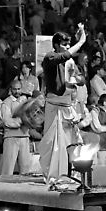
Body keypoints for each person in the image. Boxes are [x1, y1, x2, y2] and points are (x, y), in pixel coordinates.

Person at [39, 24, 86, 185]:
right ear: (57, 45)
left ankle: (72, 174)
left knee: (73, 142)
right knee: (53, 144)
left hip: (68, 107)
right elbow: (63, 57)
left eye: (69, 44)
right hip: (54, 106)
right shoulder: (49, 57)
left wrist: (74, 79)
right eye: (65, 45)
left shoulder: (70, 62)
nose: (67, 47)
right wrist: (80, 43)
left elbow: (81, 79)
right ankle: (54, 176)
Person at [0, 80, 30, 175]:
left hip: (24, 136)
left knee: (25, 169)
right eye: (15, 89)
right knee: (7, 169)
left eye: (18, 89)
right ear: (10, 90)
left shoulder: (24, 100)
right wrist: (22, 121)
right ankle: (3, 188)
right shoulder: (6, 102)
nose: (17, 91)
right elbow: (7, 121)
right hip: (11, 137)